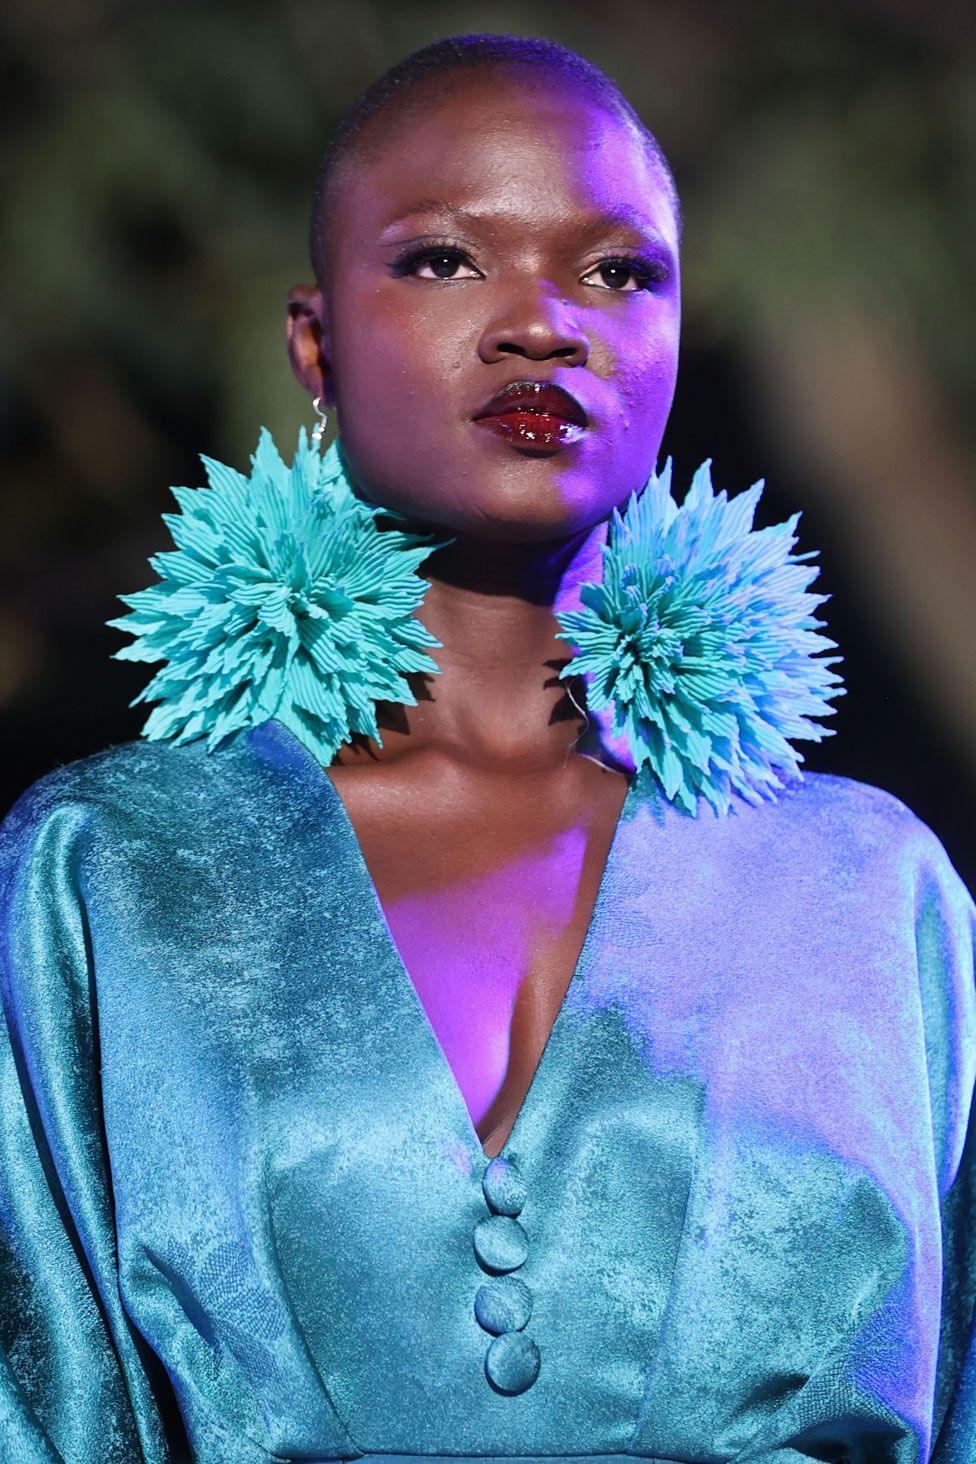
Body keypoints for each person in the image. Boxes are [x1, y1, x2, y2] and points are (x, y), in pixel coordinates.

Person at [1, 31, 973, 1464]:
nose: (542, 322)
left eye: (618, 270)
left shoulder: (867, 889)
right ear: (314, 344)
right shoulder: (109, 874)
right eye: (447, 260)